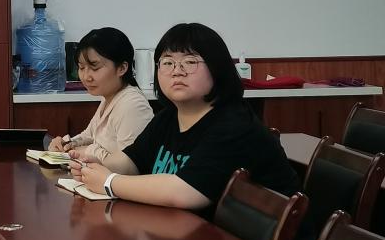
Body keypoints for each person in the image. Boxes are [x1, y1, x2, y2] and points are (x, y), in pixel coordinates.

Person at [69, 22, 298, 219]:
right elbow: (132, 160)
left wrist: (109, 182)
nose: (177, 71)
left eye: (190, 62)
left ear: (217, 68)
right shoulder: (168, 117)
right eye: (167, 63)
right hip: (194, 234)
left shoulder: (234, 125)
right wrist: (98, 167)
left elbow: (185, 192)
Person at [48, 27, 153, 155]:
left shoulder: (133, 105)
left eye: (95, 68)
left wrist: (84, 151)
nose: (86, 77)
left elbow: (128, 162)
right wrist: (66, 144)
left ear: (122, 68)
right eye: (81, 68)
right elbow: (90, 135)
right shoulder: (109, 97)